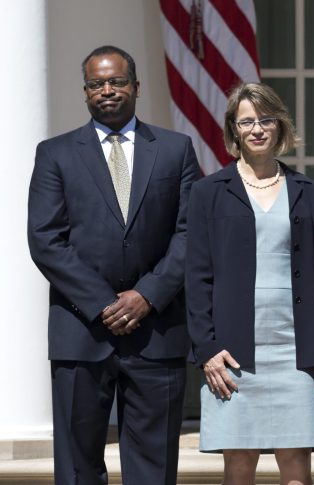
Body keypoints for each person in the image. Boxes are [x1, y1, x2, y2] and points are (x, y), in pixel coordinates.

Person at [27, 45, 200, 485]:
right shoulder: (55, 153)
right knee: (78, 467)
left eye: (117, 81)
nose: (107, 90)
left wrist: (147, 296)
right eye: (96, 83)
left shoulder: (176, 150)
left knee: (153, 468)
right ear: (85, 93)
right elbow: (46, 240)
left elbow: (191, 233)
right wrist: (105, 302)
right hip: (80, 333)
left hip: (156, 332)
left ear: (136, 87)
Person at [185, 82, 314, 485]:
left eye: (265, 120)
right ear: (234, 130)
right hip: (232, 352)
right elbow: (196, 277)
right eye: (246, 121)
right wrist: (207, 349)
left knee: (296, 467)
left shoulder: (308, 191)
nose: (256, 129)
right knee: (239, 465)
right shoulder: (207, 193)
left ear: (279, 126)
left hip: (293, 346)